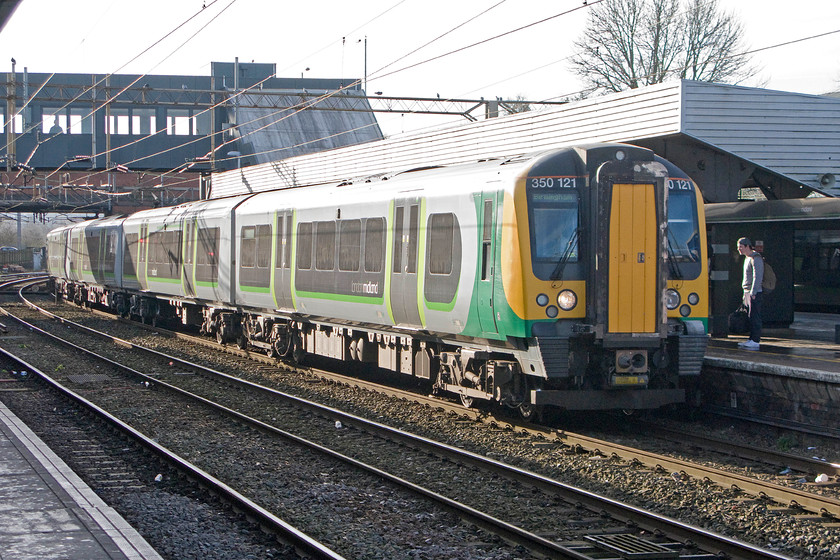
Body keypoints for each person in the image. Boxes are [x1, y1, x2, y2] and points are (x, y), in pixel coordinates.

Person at [737, 237, 763, 349]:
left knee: (754, 316)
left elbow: (757, 276)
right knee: (749, 316)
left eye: (741, 247)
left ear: (747, 246)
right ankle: (751, 339)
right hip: (747, 291)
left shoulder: (755, 258)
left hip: (754, 292)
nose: (739, 250)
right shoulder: (747, 258)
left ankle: (755, 340)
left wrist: (753, 292)